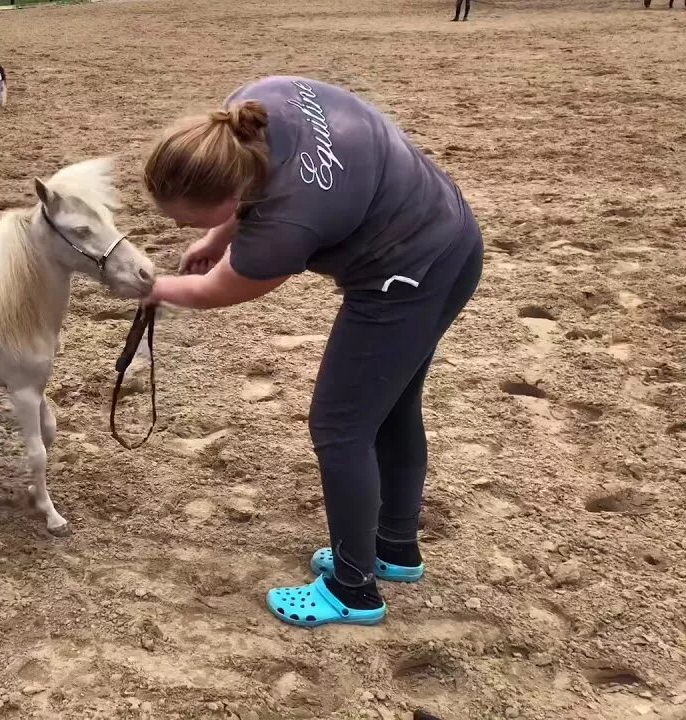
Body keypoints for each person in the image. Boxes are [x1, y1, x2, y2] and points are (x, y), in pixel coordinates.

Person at [140, 76, 483, 627]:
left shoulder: (286, 221)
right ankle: (393, 548)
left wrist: (148, 287)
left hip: (405, 274)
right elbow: (245, 193)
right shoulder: (253, 107)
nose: (180, 227)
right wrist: (216, 238)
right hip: (451, 237)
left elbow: (215, 292)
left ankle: (353, 588)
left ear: (228, 194)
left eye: (185, 219)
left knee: (340, 427)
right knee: (390, 408)